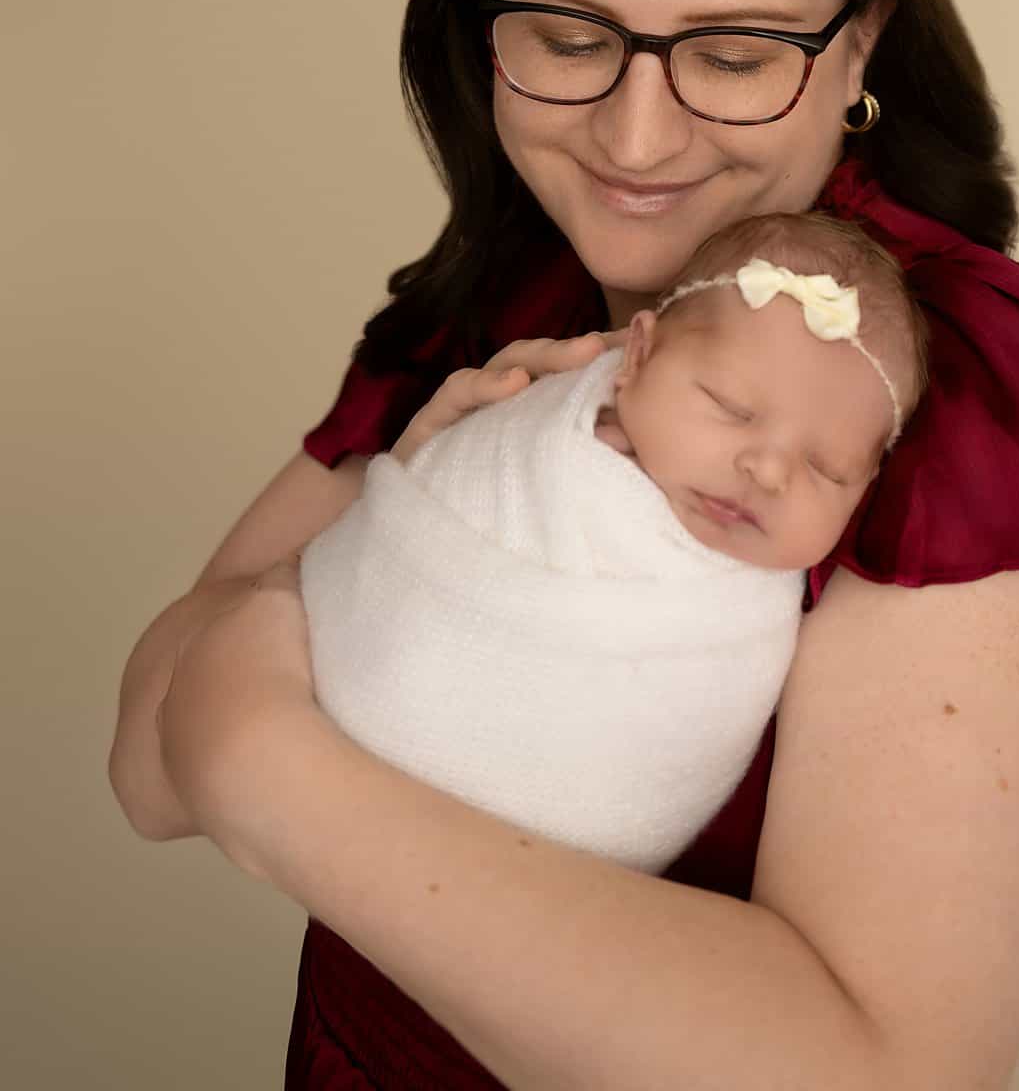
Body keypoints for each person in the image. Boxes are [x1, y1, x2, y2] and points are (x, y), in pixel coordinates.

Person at [109, 0, 1019, 1091]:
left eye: (736, 55)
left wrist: (263, 751)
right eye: (570, 39)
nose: (636, 138)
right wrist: (273, 659)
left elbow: (878, 1074)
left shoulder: (954, 382)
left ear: (863, 38)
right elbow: (146, 773)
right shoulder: (511, 298)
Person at [298, 210, 929, 875]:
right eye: (730, 408)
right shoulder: (537, 419)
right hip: (363, 736)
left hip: (561, 882)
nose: (769, 472)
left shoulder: (779, 597)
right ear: (636, 356)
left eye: (826, 469)